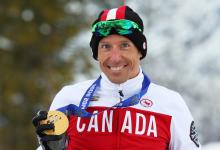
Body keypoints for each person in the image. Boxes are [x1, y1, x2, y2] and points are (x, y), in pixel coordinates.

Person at [32, 5, 201, 150]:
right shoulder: (69, 99)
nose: (115, 57)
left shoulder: (169, 104)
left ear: (140, 50)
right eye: (106, 46)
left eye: (124, 45)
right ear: (96, 54)